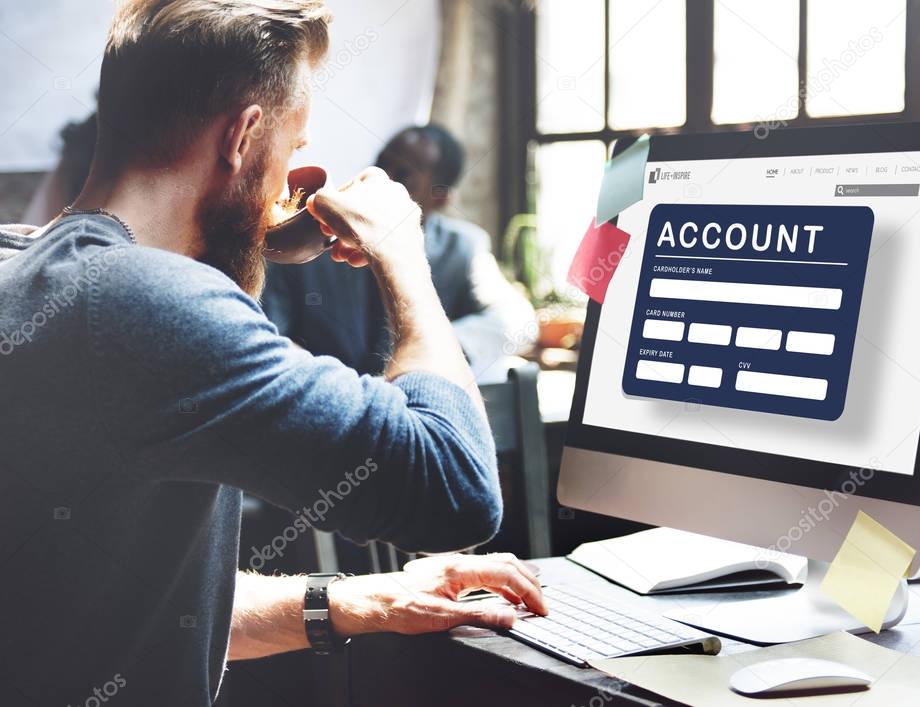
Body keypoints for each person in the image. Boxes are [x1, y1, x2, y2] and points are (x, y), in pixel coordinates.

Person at [0, 2, 545, 705]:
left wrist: (366, 600)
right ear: (244, 136)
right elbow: (458, 486)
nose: (288, 182)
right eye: (292, 149)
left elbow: (121, 609)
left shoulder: (28, 266)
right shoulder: (149, 304)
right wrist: (402, 254)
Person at [262, 124, 536, 382]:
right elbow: (267, 334)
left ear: (439, 197)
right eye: (381, 164)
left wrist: (431, 353)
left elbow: (516, 320)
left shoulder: (462, 247)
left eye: (403, 175)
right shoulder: (310, 242)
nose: (384, 179)